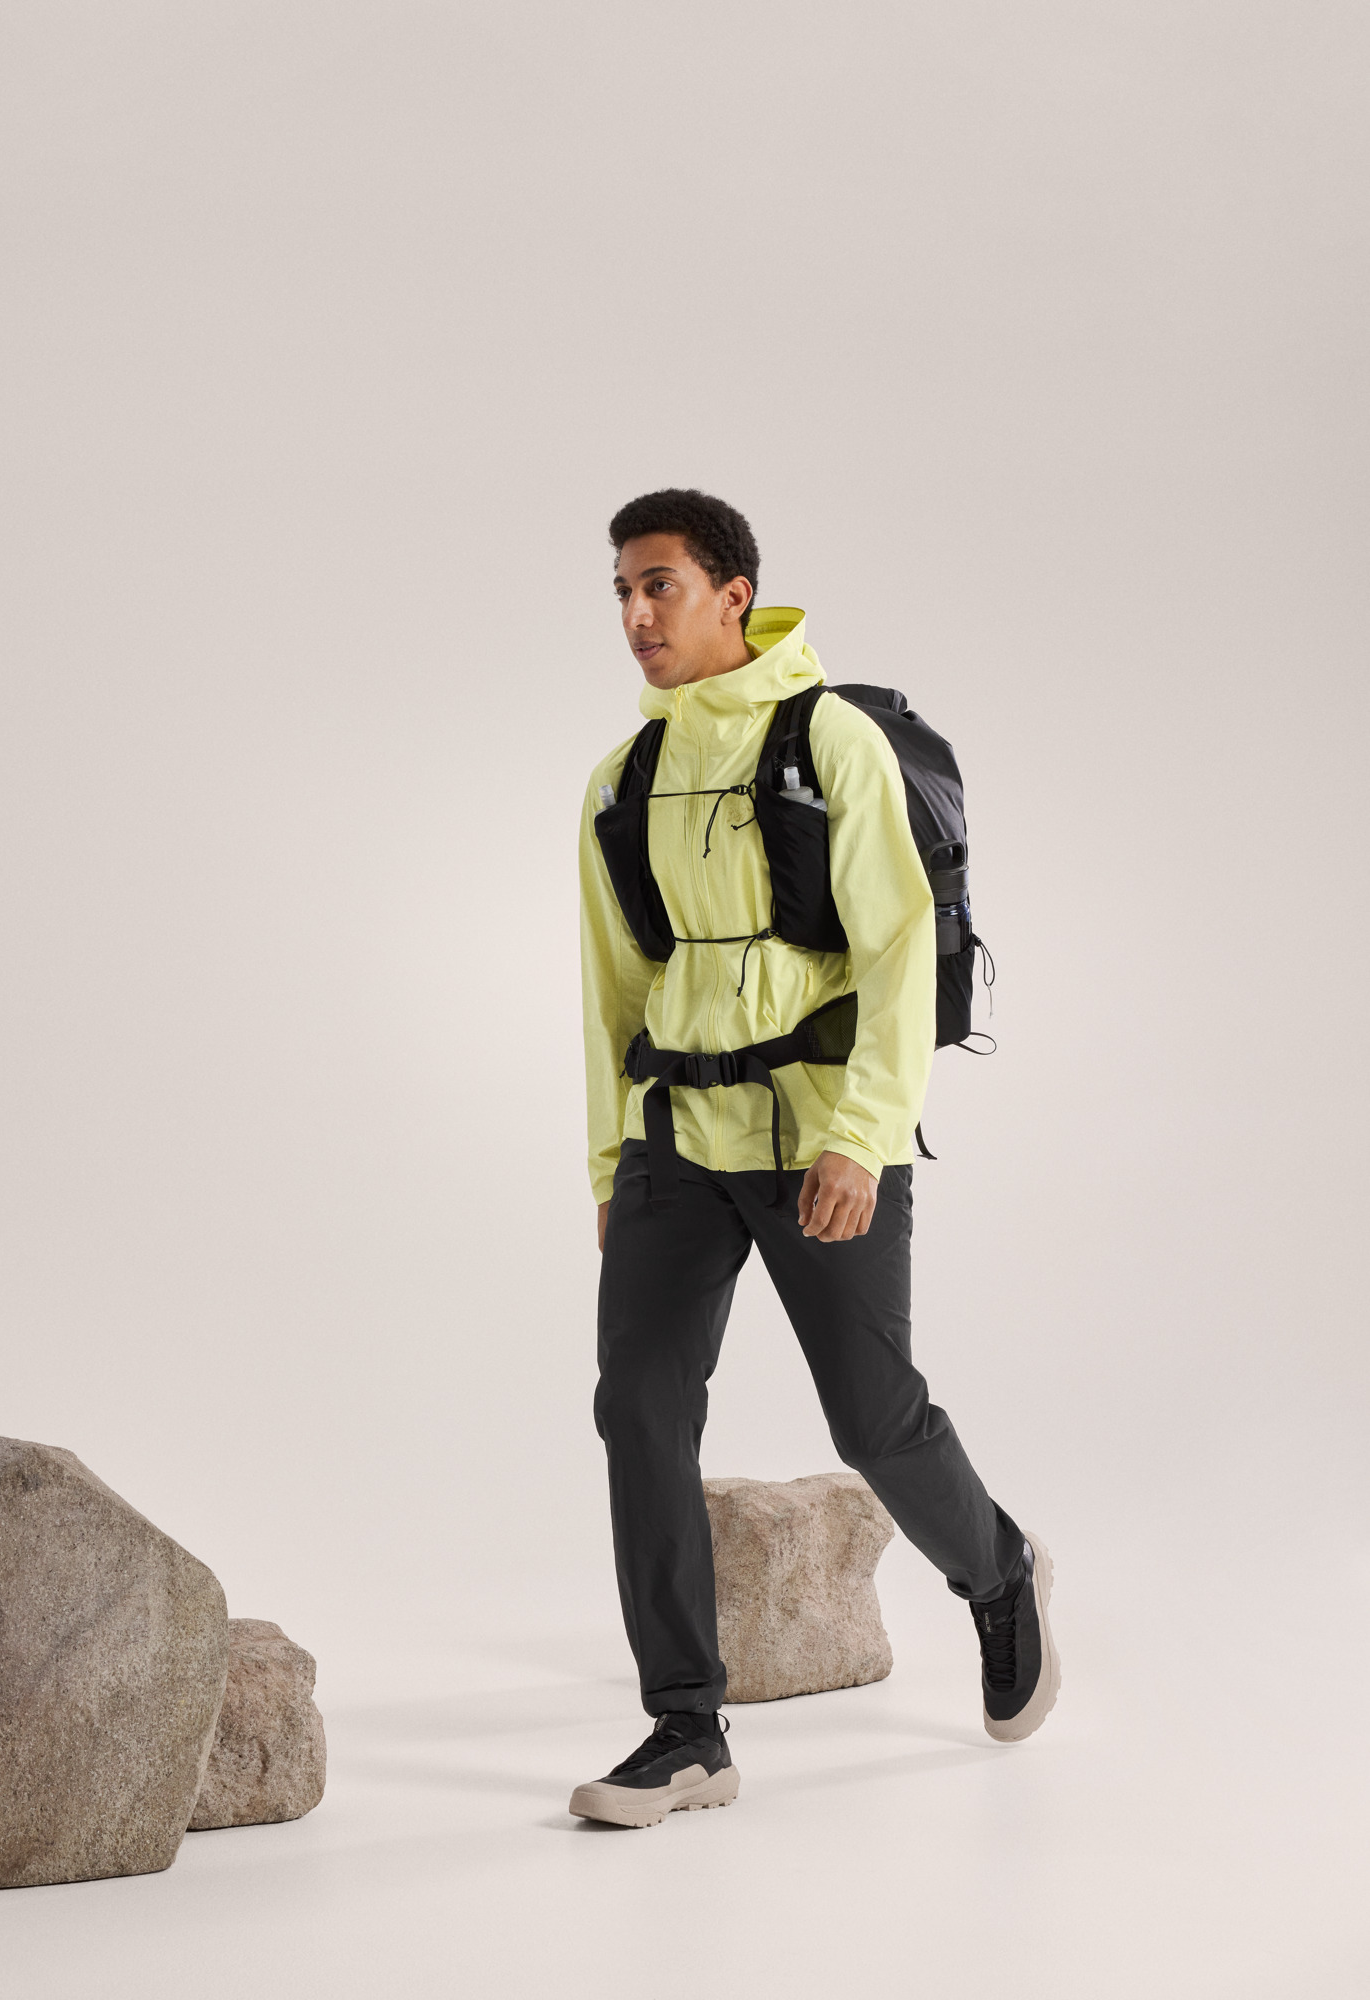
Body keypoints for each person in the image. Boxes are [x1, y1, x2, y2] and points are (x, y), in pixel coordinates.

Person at [569, 488, 1058, 1830]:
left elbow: (896, 954)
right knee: (639, 1412)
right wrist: (610, 1164)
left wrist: (863, 1135)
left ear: (733, 593)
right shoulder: (620, 779)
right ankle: (685, 1730)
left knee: (871, 1415)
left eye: (659, 585)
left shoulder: (830, 741)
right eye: (621, 591)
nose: (635, 615)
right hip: (674, 1143)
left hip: (818, 1139)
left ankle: (999, 1570)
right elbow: (612, 990)